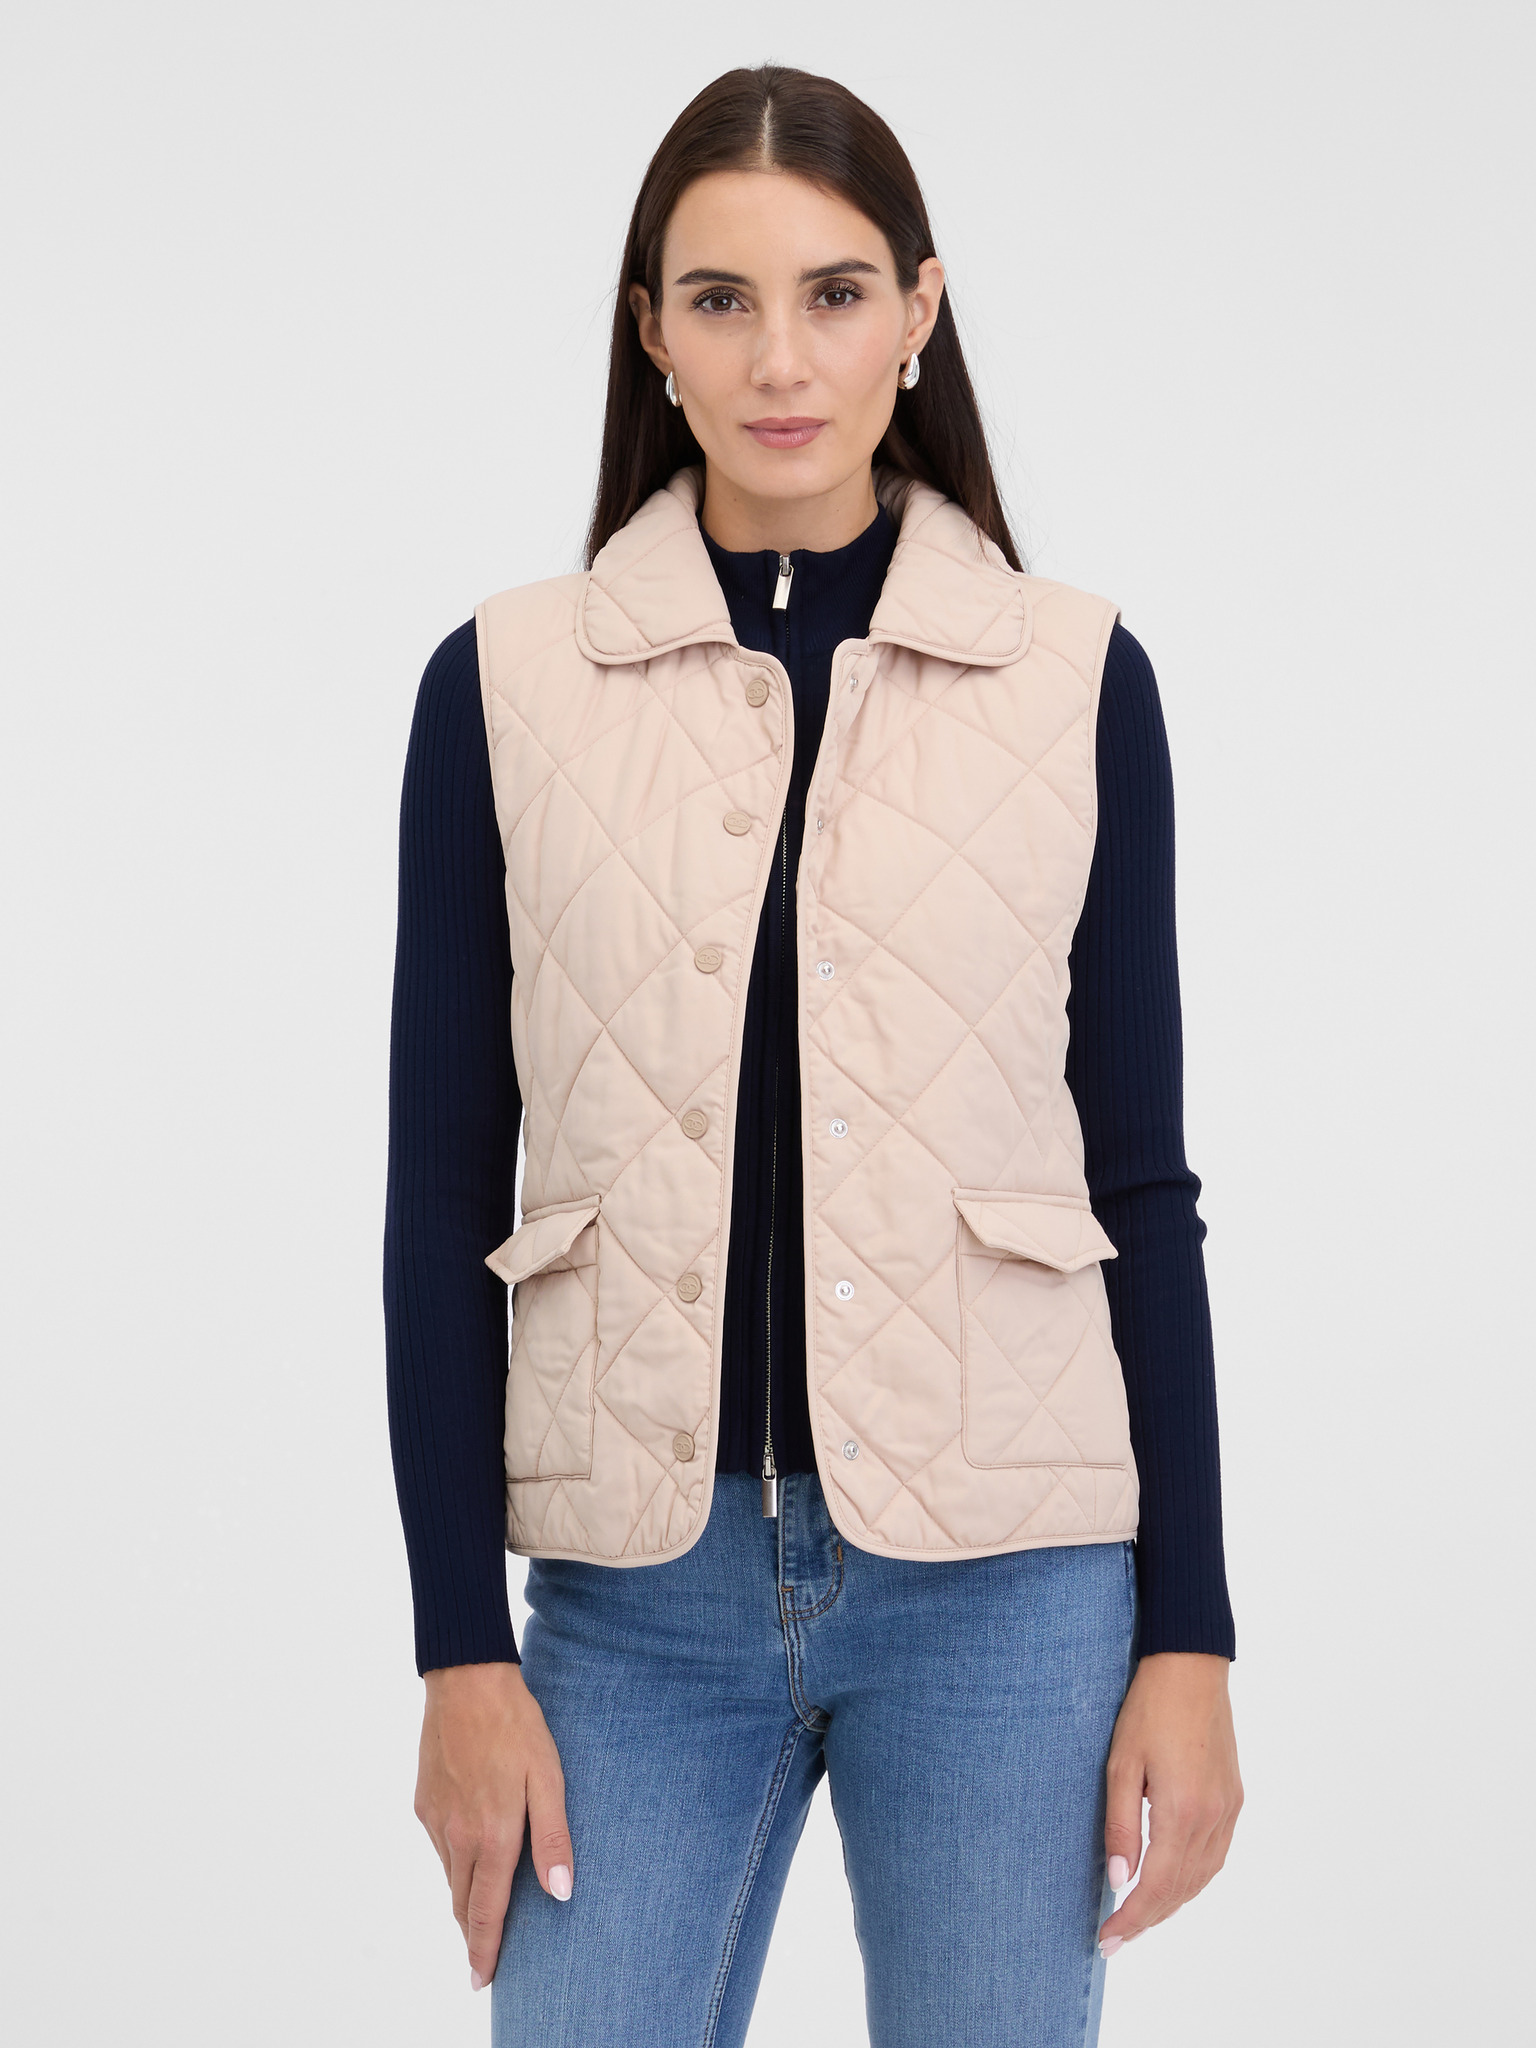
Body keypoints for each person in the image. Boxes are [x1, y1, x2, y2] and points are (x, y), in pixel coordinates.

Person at [384, 61, 1242, 2048]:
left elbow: (1143, 1185)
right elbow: (441, 1204)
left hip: (1011, 1590)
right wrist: (455, 1651)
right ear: (651, 330)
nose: (782, 358)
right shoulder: (503, 685)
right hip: (635, 1601)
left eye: (837, 293)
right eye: (722, 298)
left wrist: (1190, 1632)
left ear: (919, 311)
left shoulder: (1074, 680)